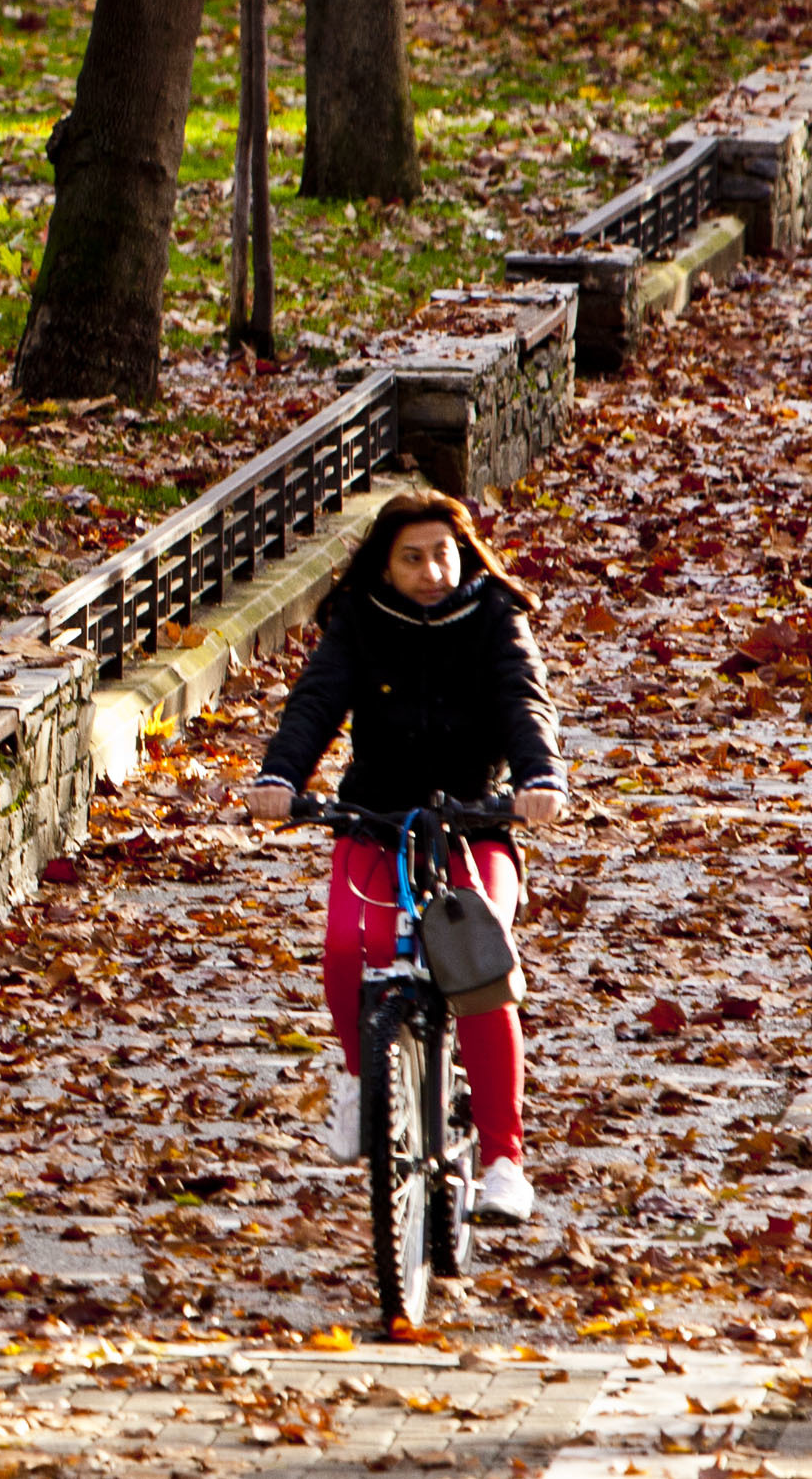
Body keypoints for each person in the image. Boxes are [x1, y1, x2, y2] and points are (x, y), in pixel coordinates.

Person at [243, 490, 567, 1223]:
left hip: (473, 822)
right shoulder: (361, 619)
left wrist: (538, 780)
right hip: (376, 819)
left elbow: (524, 701)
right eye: (412, 558)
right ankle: (363, 1080)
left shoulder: (493, 616)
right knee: (342, 951)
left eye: (442, 553)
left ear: (464, 551)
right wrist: (280, 779)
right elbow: (316, 702)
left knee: (479, 961)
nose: (431, 570)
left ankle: (504, 1159)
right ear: (385, 567)